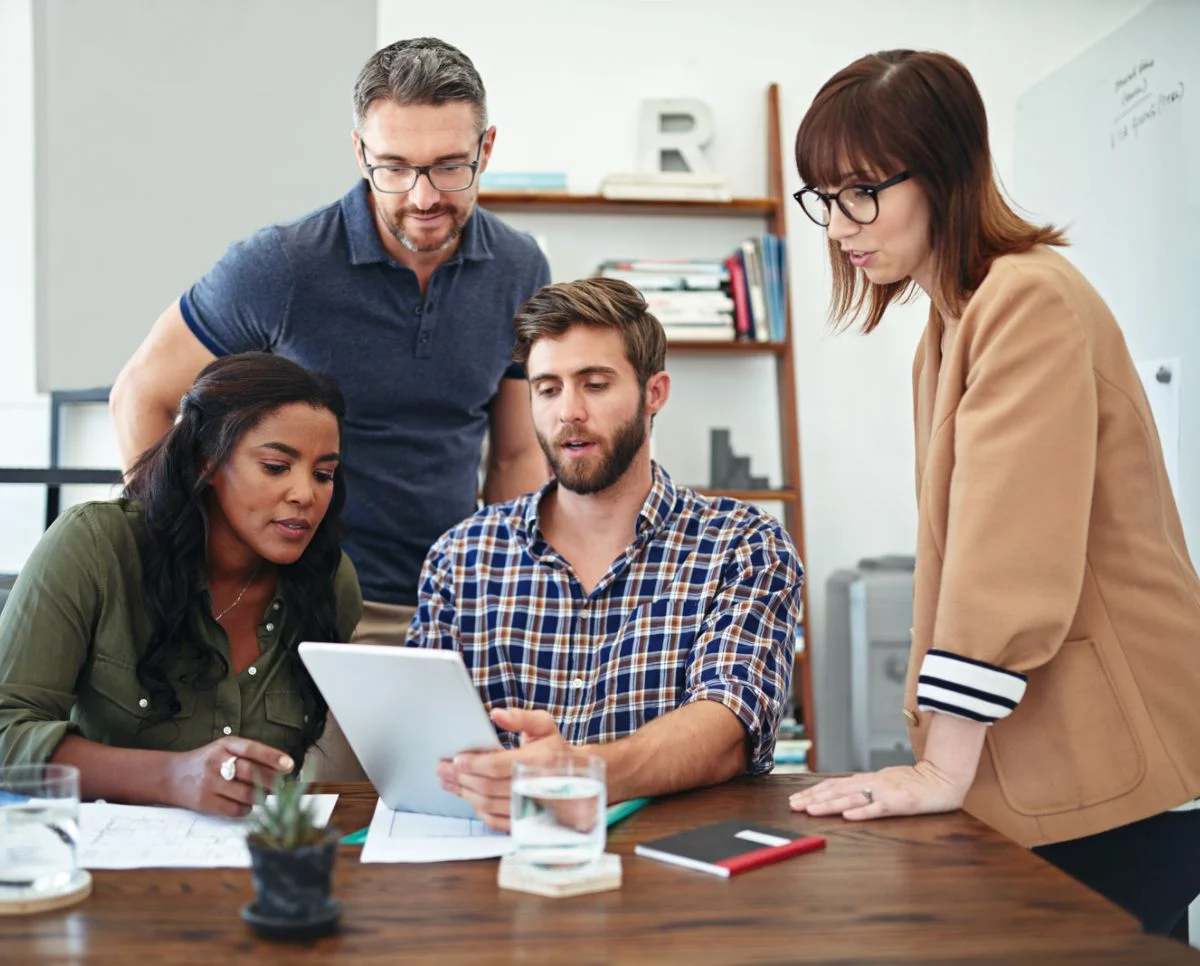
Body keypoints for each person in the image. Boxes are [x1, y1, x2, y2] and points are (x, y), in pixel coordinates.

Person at [785, 49, 1200, 939]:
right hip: (1063, 760)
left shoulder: (1027, 301)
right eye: (824, 196)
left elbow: (1005, 559)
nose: (837, 225)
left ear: (942, 171)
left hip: (1116, 761)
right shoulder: (953, 320)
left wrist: (940, 772)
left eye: (862, 191)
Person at [108, 37, 550, 650]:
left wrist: (509, 587)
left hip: (454, 602)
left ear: (487, 148)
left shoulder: (520, 268)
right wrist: (186, 558)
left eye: (450, 166)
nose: (423, 197)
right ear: (360, 153)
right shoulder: (282, 267)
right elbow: (141, 394)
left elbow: (514, 456)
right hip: (301, 603)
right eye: (394, 167)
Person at [407, 277, 803, 831]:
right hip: (493, 870)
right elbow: (420, 741)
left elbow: (726, 732)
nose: (569, 411)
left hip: (674, 873)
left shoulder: (743, 545)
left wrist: (579, 772)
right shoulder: (461, 557)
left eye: (594, 384)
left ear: (654, 393)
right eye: (547, 389)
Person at [0, 353, 362, 817]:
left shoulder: (330, 581)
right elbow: (7, 731)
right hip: (106, 862)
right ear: (205, 461)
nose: (305, 494)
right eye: (276, 466)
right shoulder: (95, 547)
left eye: (323, 473)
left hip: (265, 863)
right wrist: (171, 777)